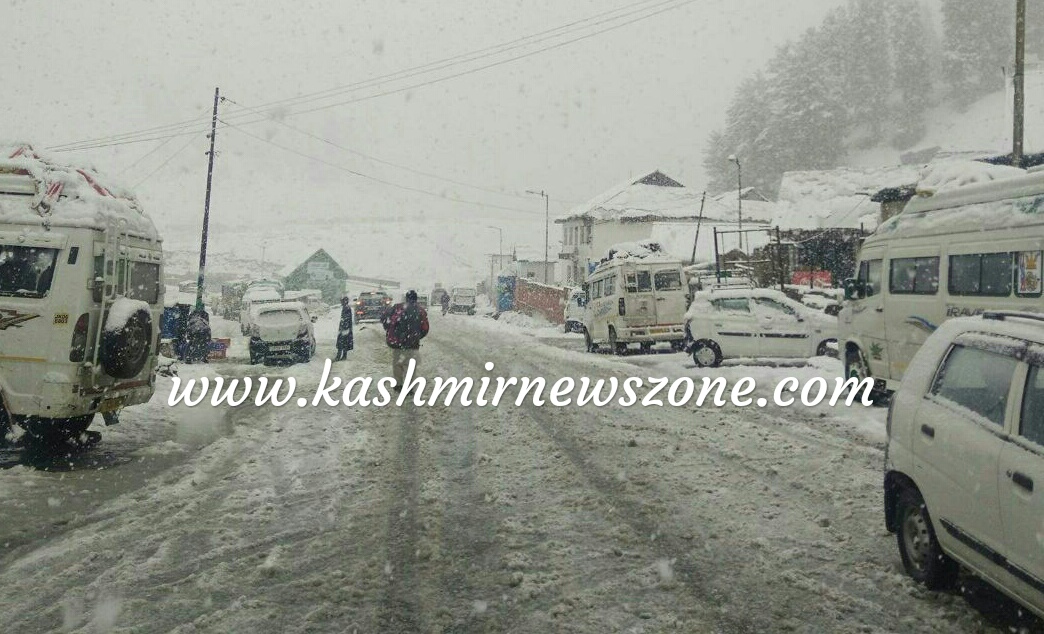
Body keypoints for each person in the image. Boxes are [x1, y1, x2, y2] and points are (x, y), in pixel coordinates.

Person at [382, 290, 429, 390]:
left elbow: (385, 319)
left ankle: (399, 384)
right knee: (410, 366)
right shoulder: (420, 310)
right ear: (416, 299)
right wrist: (417, 336)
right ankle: (409, 387)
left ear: (406, 298)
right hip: (412, 344)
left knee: (397, 363)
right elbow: (425, 328)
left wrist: (391, 332)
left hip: (397, 343)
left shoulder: (397, 308)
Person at [334, 296, 354, 361]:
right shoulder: (346, 308)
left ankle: (339, 356)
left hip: (345, 329)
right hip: (346, 328)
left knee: (342, 342)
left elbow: (346, 319)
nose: (341, 302)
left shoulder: (346, 308)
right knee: (345, 342)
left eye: (342, 301)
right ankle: (343, 356)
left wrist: (343, 328)